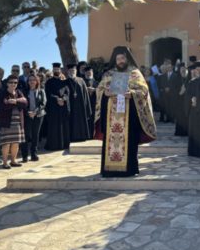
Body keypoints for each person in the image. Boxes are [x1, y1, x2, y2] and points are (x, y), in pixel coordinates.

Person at [95, 46, 156, 177]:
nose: (120, 61)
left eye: (122, 58)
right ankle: (109, 170)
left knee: (129, 142)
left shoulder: (135, 73)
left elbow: (144, 91)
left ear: (127, 59)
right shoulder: (109, 74)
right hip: (111, 117)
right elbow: (99, 90)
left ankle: (129, 170)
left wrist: (132, 94)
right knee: (111, 143)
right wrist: (105, 93)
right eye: (118, 59)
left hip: (130, 115)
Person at [0, 75, 27, 169]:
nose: (13, 84)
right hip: (7, 122)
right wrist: (18, 102)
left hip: (18, 122)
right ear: (7, 83)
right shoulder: (3, 93)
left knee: (15, 142)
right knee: (6, 143)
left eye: (15, 82)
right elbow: (3, 106)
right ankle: (5, 162)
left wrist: (14, 101)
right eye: (11, 82)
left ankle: (13, 161)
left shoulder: (19, 92)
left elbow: (25, 103)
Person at [44, 63, 70, 151]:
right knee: (54, 127)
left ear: (60, 70)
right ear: (53, 70)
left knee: (63, 126)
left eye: (58, 69)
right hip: (53, 108)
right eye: (55, 69)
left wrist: (64, 99)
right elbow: (48, 93)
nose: (56, 71)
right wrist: (57, 99)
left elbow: (67, 92)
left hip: (63, 107)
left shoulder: (64, 81)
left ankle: (64, 144)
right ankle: (54, 145)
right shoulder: (49, 82)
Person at [21, 74, 46, 162]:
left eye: (33, 80)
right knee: (26, 135)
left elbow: (43, 103)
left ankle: (33, 154)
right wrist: (28, 112)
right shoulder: (24, 91)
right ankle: (24, 155)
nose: (32, 82)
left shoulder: (41, 91)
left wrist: (35, 112)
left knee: (35, 135)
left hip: (38, 116)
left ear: (37, 81)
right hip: (27, 116)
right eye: (30, 80)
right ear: (28, 82)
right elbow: (23, 104)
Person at [66, 64, 92, 143]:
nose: (72, 72)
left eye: (73, 70)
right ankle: (72, 137)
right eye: (70, 71)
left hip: (81, 107)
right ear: (68, 72)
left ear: (76, 71)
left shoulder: (81, 80)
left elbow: (85, 94)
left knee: (80, 122)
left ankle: (82, 136)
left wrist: (87, 107)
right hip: (70, 107)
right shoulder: (65, 82)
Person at [83, 66, 98, 138]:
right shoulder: (82, 82)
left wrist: (95, 90)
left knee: (93, 120)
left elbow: (101, 90)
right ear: (85, 73)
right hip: (85, 104)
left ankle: (93, 135)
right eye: (87, 72)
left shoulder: (97, 82)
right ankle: (86, 135)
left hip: (94, 104)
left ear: (92, 73)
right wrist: (86, 89)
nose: (89, 74)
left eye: (90, 72)